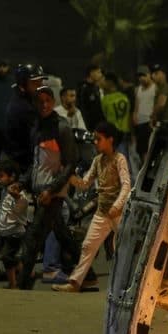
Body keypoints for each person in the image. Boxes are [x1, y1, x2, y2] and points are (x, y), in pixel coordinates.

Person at [54, 122, 131, 293]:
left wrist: (118, 205)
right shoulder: (97, 161)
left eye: (99, 139)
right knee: (88, 246)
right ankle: (75, 283)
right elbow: (85, 183)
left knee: (124, 250)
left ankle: (126, 288)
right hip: (103, 212)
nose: (95, 142)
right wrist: (69, 176)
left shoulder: (120, 159)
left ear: (110, 140)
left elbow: (126, 185)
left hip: (119, 214)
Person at [16, 86, 80, 289]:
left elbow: (70, 164)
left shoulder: (61, 128)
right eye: (40, 101)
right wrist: (22, 183)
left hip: (52, 193)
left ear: (53, 102)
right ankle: (87, 273)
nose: (44, 105)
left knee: (33, 239)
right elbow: (36, 164)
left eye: (47, 101)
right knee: (63, 235)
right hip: (40, 191)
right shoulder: (36, 127)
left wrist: (51, 190)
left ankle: (22, 286)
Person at [0, 160, 30, 289]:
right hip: (6, 231)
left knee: (7, 257)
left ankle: (13, 284)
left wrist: (16, 197)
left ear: (12, 176)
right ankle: (25, 271)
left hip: (14, 232)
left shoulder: (17, 192)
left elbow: (23, 205)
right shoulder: (4, 191)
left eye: (1, 176)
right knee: (7, 255)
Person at [5, 64, 44, 173]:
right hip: (24, 165)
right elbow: (36, 138)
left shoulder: (28, 101)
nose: (40, 86)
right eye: (35, 83)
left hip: (25, 161)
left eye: (41, 82)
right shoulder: (23, 107)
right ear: (23, 84)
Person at [132, 65, 156, 162]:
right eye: (139, 76)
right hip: (139, 124)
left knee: (149, 150)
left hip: (149, 123)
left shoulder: (155, 88)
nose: (141, 78)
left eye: (143, 75)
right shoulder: (137, 89)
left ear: (149, 75)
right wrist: (134, 115)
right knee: (141, 151)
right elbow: (136, 105)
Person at [76, 63, 105, 133]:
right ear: (91, 73)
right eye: (98, 72)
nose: (100, 75)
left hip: (98, 125)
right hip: (88, 126)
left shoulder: (96, 88)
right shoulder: (83, 88)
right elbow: (82, 108)